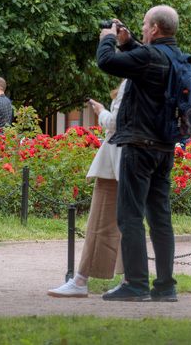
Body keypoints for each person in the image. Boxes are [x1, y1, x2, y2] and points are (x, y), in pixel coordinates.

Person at [96, 5, 182, 302]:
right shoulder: (177, 57)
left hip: (139, 146)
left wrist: (107, 38)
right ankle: (165, 286)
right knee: (160, 217)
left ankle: (135, 284)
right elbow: (147, 65)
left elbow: (106, 62)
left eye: (145, 25)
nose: (143, 29)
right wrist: (127, 41)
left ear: (155, 29)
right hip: (164, 147)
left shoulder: (148, 56)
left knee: (130, 216)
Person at [48, 81, 127, 298]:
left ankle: (84, 279)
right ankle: (128, 279)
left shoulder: (132, 80)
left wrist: (101, 112)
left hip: (119, 159)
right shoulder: (152, 74)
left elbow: (116, 123)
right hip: (134, 159)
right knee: (126, 222)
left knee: (104, 220)